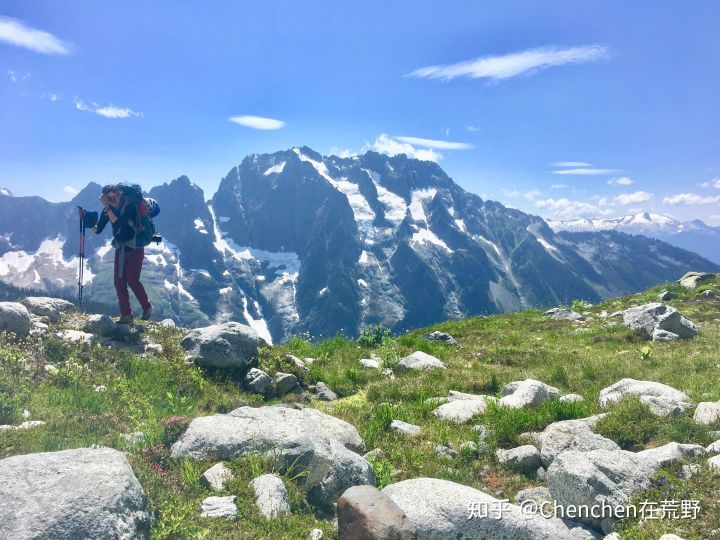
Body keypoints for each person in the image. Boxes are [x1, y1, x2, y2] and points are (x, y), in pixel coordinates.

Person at [91, 184, 153, 324]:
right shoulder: (108, 209)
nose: (114, 199)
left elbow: (121, 226)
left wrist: (107, 207)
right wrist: (87, 221)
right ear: (105, 197)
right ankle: (126, 315)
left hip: (135, 247)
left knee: (132, 279)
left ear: (120, 193)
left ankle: (147, 306)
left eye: (116, 195)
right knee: (119, 282)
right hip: (121, 247)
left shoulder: (130, 206)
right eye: (110, 197)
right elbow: (98, 229)